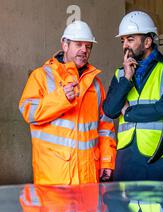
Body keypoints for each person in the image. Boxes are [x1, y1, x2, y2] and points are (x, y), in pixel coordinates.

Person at [19, 20, 116, 185]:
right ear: (64, 45)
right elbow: (28, 112)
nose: (84, 50)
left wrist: (107, 160)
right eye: (78, 44)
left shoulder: (95, 84)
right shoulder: (41, 76)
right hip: (54, 177)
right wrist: (60, 98)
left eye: (88, 46)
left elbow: (105, 126)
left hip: (87, 177)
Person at [103, 11, 163, 182]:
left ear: (147, 41)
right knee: (126, 209)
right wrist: (127, 78)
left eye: (130, 39)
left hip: (160, 158)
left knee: (160, 208)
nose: (125, 45)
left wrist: (128, 113)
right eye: (123, 40)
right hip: (126, 159)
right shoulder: (120, 74)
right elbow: (110, 110)